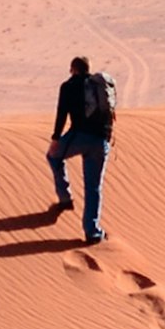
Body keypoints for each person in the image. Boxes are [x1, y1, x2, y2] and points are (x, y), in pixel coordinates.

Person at [46, 55, 114, 244]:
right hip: (101, 141)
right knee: (94, 187)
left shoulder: (68, 87)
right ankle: (92, 232)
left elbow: (61, 114)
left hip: (79, 137)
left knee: (53, 157)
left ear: (73, 69)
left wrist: (55, 139)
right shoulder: (98, 87)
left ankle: (65, 198)